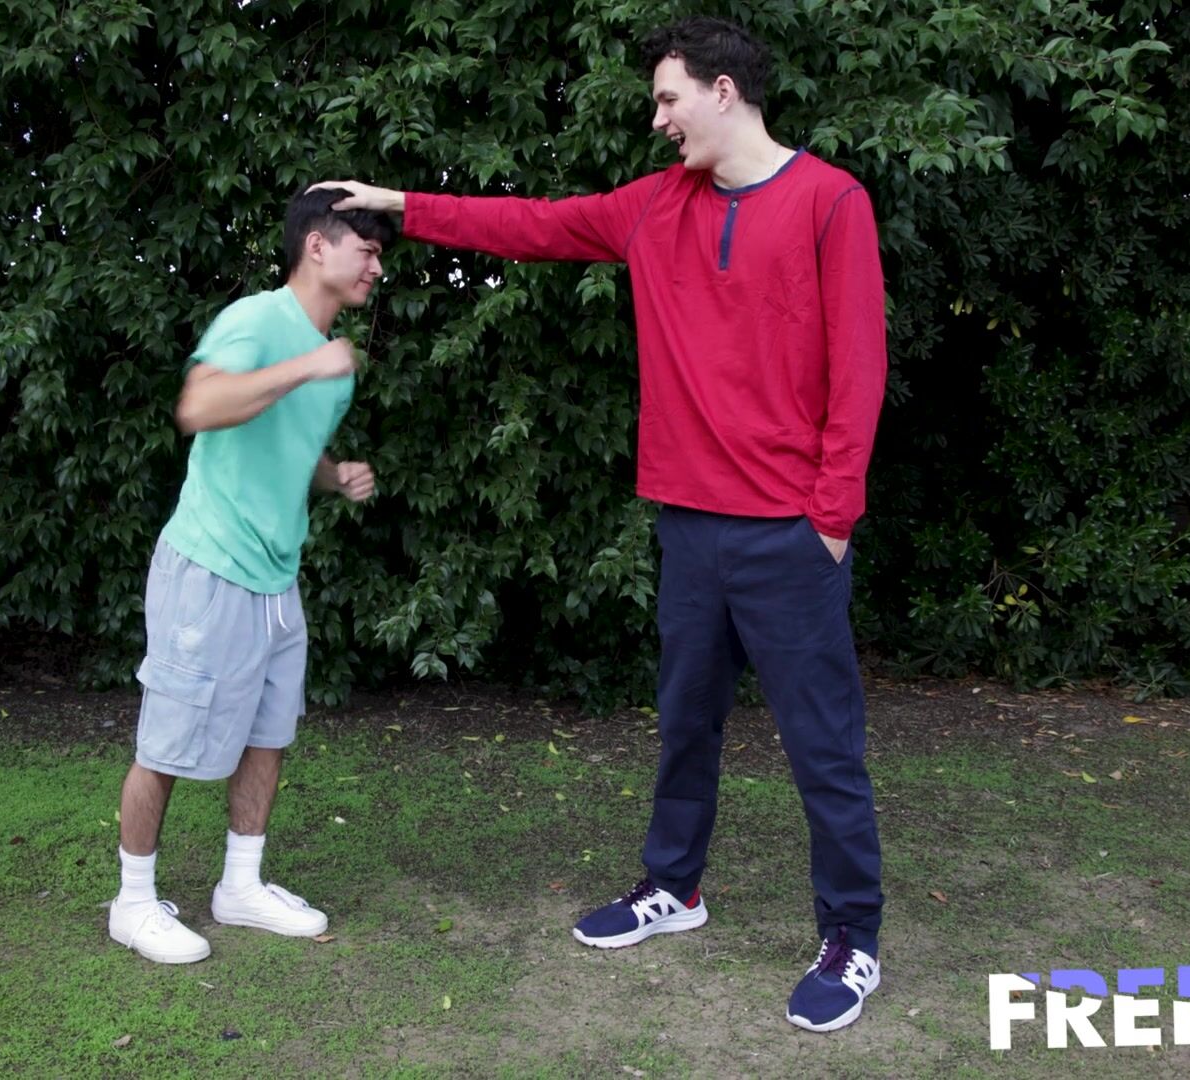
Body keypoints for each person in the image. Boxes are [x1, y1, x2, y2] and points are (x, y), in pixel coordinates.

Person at [318, 15, 888, 1031]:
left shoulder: (830, 202)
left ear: (723, 91)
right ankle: (674, 887)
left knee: (824, 748)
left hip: (789, 535)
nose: (658, 118)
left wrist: (832, 519)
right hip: (690, 526)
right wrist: (402, 204)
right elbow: (532, 225)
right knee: (685, 724)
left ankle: (852, 938)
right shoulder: (652, 207)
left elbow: (858, 370)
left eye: (669, 98)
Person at [107, 186, 394, 964]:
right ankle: (133, 903)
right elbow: (200, 405)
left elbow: (289, 445)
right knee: (166, 743)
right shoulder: (259, 322)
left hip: (276, 578)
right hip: (208, 567)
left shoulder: (333, 362)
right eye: (367, 250)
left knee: (269, 737)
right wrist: (304, 366)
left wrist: (333, 476)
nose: (377, 267)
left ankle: (240, 887)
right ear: (317, 246)